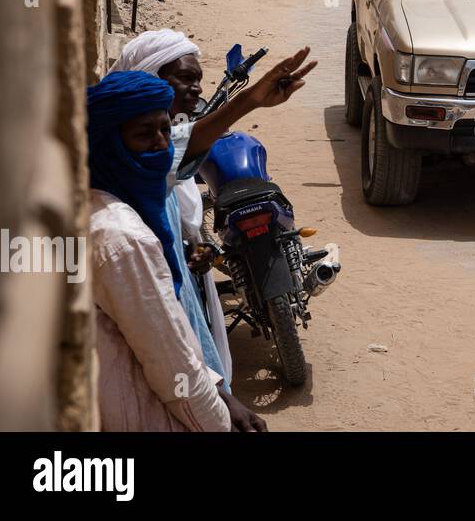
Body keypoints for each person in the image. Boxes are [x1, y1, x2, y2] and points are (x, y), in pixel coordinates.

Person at [111, 31, 317, 396]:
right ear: (150, 80)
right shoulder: (134, 152)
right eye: (185, 79)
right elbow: (177, 151)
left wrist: (191, 248)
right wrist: (249, 100)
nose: (195, 89)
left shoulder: (154, 138)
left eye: (199, 81)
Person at [87, 70, 236, 431]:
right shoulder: (123, 240)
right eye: (143, 134)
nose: (161, 145)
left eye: (165, 130)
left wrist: (219, 389)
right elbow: (173, 369)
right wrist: (221, 422)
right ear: (110, 144)